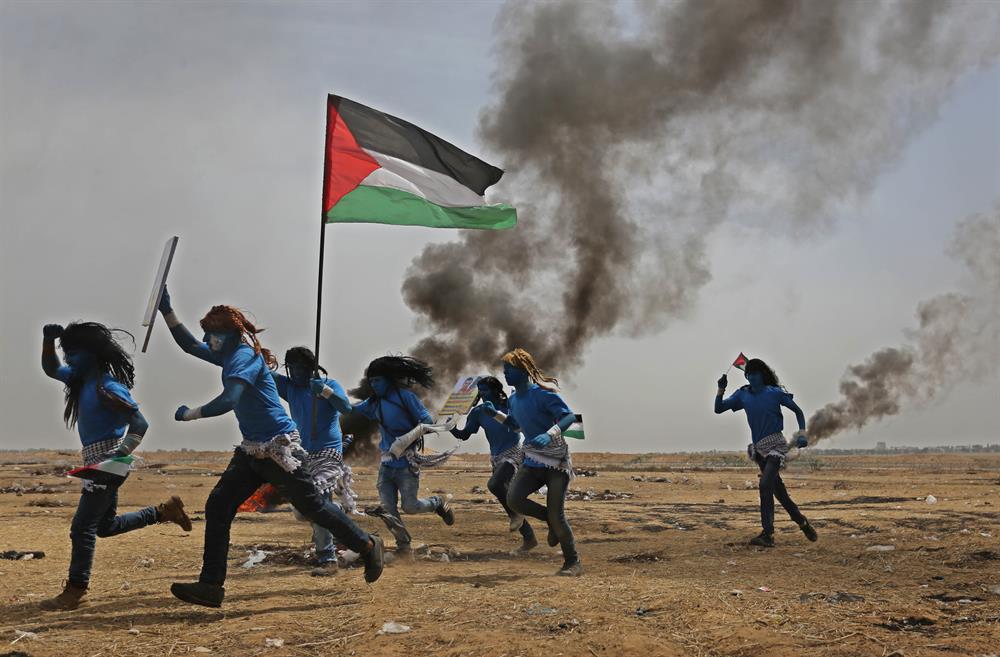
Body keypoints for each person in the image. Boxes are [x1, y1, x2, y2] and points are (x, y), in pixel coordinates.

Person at [156, 288, 383, 607]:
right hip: (252, 449)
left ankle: (368, 545)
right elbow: (190, 345)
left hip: (278, 448)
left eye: (211, 334)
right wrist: (166, 310)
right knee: (219, 505)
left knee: (313, 506)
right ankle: (210, 585)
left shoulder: (244, 358)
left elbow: (229, 399)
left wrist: (190, 413)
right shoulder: (228, 354)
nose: (206, 340)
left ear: (229, 335)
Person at [39, 322, 191, 610]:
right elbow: (51, 368)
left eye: (73, 353)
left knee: (81, 528)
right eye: (67, 353)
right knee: (104, 527)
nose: (69, 359)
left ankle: (76, 590)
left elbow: (140, 424)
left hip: (108, 465)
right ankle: (162, 512)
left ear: (92, 353)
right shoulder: (81, 381)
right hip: (97, 464)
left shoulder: (107, 388)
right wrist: (48, 341)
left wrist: (117, 456)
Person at [483, 348, 582, 576]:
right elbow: (516, 425)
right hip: (532, 461)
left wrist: (549, 434)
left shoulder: (543, 394)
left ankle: (573, 562)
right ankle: (552, 522)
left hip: (556, 463)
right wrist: (494, 414)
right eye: (504, 369)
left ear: (523, 369)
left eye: (509, 369)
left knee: (557, 515)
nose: (505, 373)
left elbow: (568, 416)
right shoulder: (513, 400)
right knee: (514, 499)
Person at [351, 355, 454, 557]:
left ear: (389, 380)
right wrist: (327, 395)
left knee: (411, 507)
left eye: (378, 380)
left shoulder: (405, 397)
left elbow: (427, 422)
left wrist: (404, 440)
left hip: (406, 464)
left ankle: (437, 502)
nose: (374, 385)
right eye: (371, 381)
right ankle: (403, 546)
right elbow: (349, 409)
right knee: (387, 510)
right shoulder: (374, 402)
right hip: (386, 465)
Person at [715, 358, 818, 547]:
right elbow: (718, 409)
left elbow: (798, 412)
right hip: (759, 449)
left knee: (764, 485)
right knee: (780, 494)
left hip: (777, 447)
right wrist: (721, 389)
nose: (751, 378)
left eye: (755, 374)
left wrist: (802, 434)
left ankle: (768, 535)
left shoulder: (774, 393)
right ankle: (803, 523)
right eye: (749, 374)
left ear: (763, 375)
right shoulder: (742, 394)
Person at [272, 346, 357, 576]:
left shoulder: (329, 384)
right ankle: (336, 517)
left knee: (317, 499)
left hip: (329, 452)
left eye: (301, 368)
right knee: (303, 511)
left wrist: (325, 392)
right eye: (291, 368)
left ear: (311, 368)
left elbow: (346, 408)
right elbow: (263, 373)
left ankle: (327, 558)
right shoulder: (290, 387)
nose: (296, 373)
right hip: (303, 455)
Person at [451, 376, 536, 553]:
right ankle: (529, 537)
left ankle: (516, 515)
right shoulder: (478, 412)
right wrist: (450, 426)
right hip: (496, 457)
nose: (482, 394)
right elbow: (464, 435)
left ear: (496, 390)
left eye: (485, 390)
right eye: (480, 390)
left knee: (495, 485)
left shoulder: (510, 405)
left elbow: (520, 424)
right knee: (506, 494)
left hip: (514, 451)